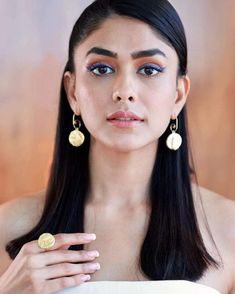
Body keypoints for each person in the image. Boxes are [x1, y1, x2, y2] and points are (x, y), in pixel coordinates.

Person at [0, 0, 234, 293]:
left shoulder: (229, 229)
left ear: (178, 94)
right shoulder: (9, 227)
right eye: (101, 69)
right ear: (73, 91)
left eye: (149, 70)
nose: (124, 91)